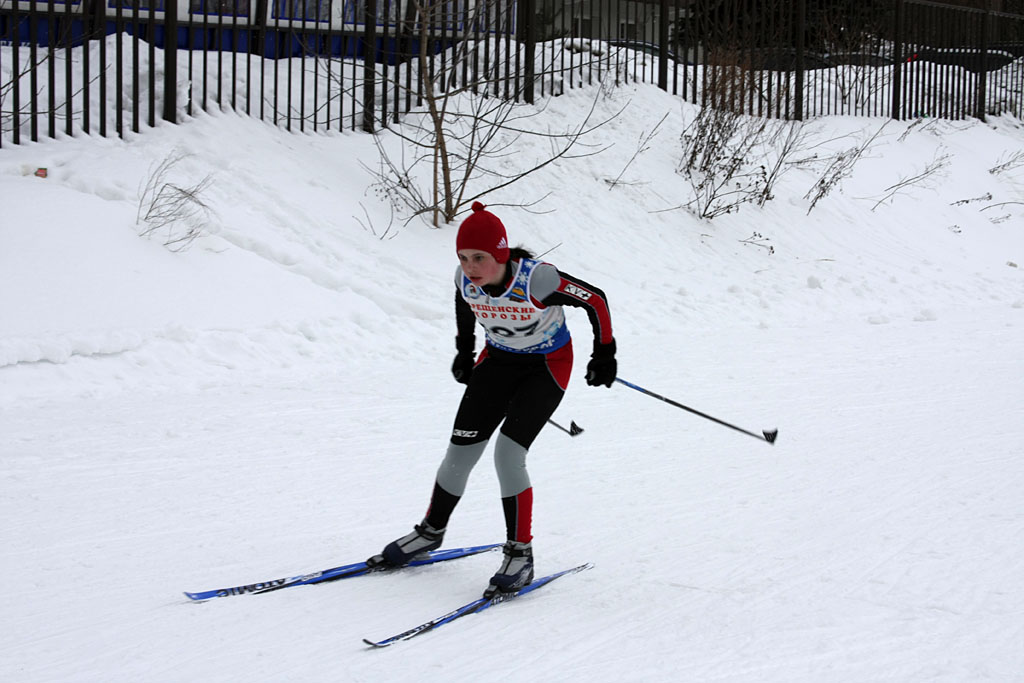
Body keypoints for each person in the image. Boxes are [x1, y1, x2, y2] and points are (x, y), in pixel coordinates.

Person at [367, 201, 616, 598]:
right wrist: (464, 352)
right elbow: (465, 307)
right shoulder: (464, 279)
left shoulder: (539, 280)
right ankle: (431, 532)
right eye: (464, 258)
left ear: (500, 254)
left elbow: (596, 300)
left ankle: (520, 555)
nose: (470, 267)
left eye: (479, 257)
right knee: (459, 453)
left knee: (507, 455)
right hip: (497, 363)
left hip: (546, 367)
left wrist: (604, 353)